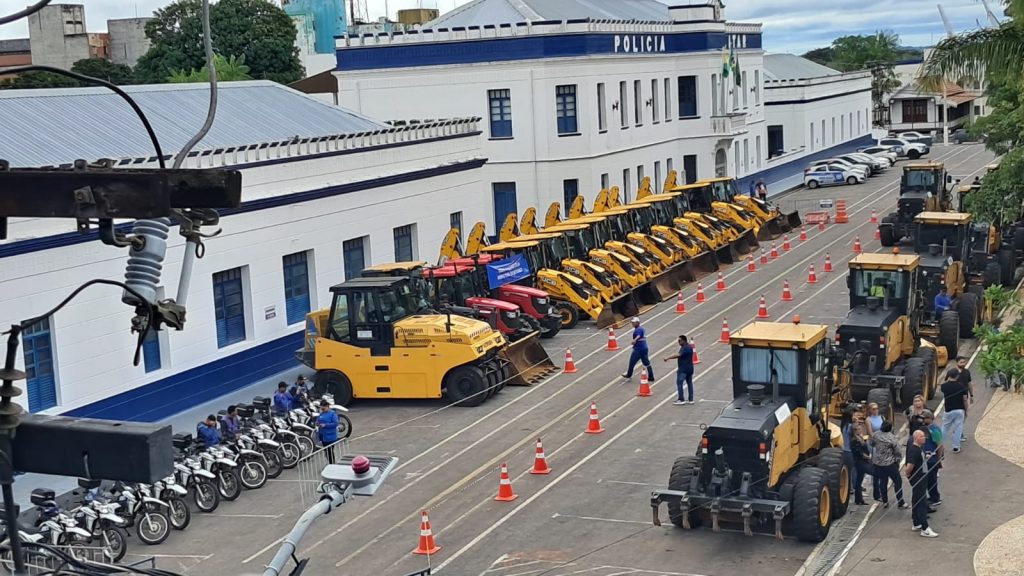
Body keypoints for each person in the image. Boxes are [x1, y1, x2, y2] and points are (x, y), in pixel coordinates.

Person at [905, 429, 939, 537]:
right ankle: (925, 528)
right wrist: (909, 475)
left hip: (922, 477)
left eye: (924, 436)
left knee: (916, 499)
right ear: (916, 438)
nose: (924, 438)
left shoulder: (920, 449)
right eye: (921, 437)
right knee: (921, 502)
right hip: (918, 479)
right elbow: (909, 466)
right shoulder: (914, 450)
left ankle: (916, 523)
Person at [871, 420, 907, 508]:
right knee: (897, 481)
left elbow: (872, 444)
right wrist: (898, 460)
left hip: (878, 462)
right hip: (889, 463)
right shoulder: (891, 438)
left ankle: (885, 501)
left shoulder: (876, 435)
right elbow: (897, 451)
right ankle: (900, 501)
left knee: (883, 481)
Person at [940, 367, 969, 453]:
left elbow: (943, 385)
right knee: (958, 428)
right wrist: (966, 410)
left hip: (948, 410)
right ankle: (956, 447)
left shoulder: (944, 386)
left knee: (944, 428)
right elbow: (965, 399)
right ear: (957, 376)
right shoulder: (961, 386)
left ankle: (938, 446)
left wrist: (946, 378)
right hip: (959, 410)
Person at [849, 407, 873, 505]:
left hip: (862, 460)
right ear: (855, 430)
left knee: (859, 481)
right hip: (860, 461)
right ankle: (859, 499)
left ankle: (858, 499)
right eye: (859, 429)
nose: (861, 430)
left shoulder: (860, 438)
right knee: (872, 472)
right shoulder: (855, 440)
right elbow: (859, 452)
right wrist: (868, 457)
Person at [920, 409, 943, 506]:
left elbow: (939, 445)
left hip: (932, 460)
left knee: (932, 479)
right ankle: (932, 496)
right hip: (926, 459)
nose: (922, 420)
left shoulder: (934, 430)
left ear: (929, 418)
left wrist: (938, 459)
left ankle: (935, 498)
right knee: (928, 479)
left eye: (924, 418)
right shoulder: (926, 429)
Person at [663, 335, 695, 405]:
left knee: (679, 383)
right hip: (690, 368)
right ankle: (691, 399)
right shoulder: (689, 347)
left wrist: (668, 357)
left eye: (679, 340)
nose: (678, 342)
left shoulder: (685, 348)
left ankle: (681, 399)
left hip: (683, 369)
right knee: (689, 383)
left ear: (684, 340)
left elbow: (678, 355)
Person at [622, 317, 654, 382]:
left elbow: (638, 335)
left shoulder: (638, 330)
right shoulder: (642, 328)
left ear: (638, 322)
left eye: (634, 322)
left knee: (632, 362)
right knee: (646, 362)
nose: (632, 324)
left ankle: (629, 374)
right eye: (632, 322)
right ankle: (651, 376)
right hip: (644, 348)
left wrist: (634, 340)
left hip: (638, 349)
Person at [955, 356, 974, 442]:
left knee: (964, 415)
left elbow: (969, 383)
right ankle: (959, 433)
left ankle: (958, 431)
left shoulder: (967, 372)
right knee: (959, 415)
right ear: (957, 363)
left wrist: (972, 395)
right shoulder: (953, 373)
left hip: (965, 397)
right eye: (961, 362)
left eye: (964, 362)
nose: (963, 364)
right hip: (956, 397)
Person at [317, 400, 340, 464]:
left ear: (327, 407)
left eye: (323, 409)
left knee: (330, 451)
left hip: (331, 436)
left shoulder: (333, 414)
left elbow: (335, 423)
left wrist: (326, 425)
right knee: (326, 452)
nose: (322, 410)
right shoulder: (321, 414)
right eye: (321, 409)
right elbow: (317, 420)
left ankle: (332, 463)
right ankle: (330, 463)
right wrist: (317, 423)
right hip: (323, 436)